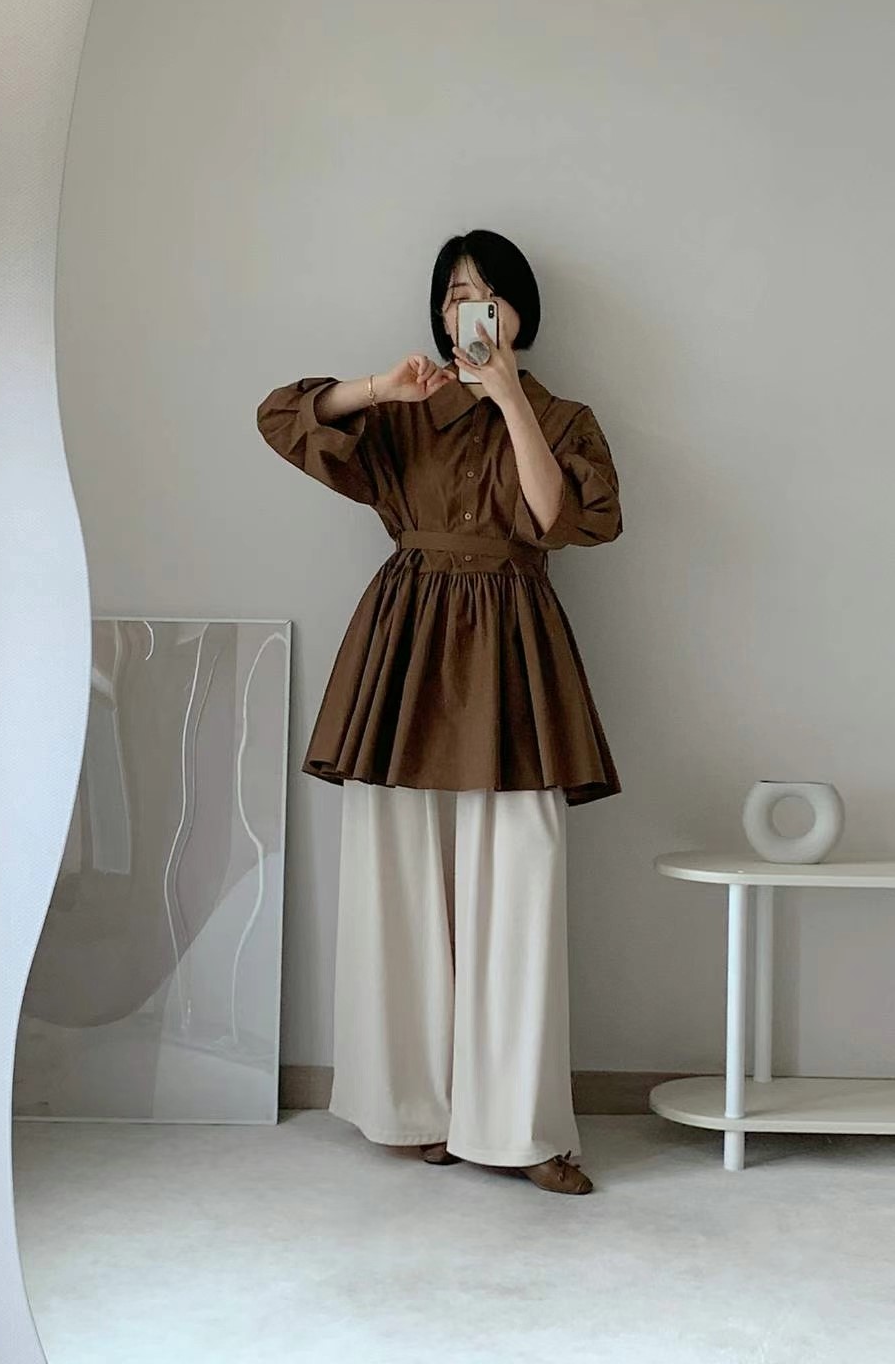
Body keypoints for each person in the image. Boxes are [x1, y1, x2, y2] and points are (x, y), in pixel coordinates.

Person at [256, 229, 622, 1195]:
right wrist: (380, 388)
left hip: (514, 648)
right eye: (458, 293)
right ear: (440, 311)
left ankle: (520, 1127)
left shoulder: (562, 416)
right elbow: (281, 416)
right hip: (408, 645)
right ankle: (409, 1106)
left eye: (489, 293)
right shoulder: (404, 411)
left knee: (520, 880)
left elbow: (561, 522)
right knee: (398, 875)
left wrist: (509, 401)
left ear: (519, 311)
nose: (473, 308)